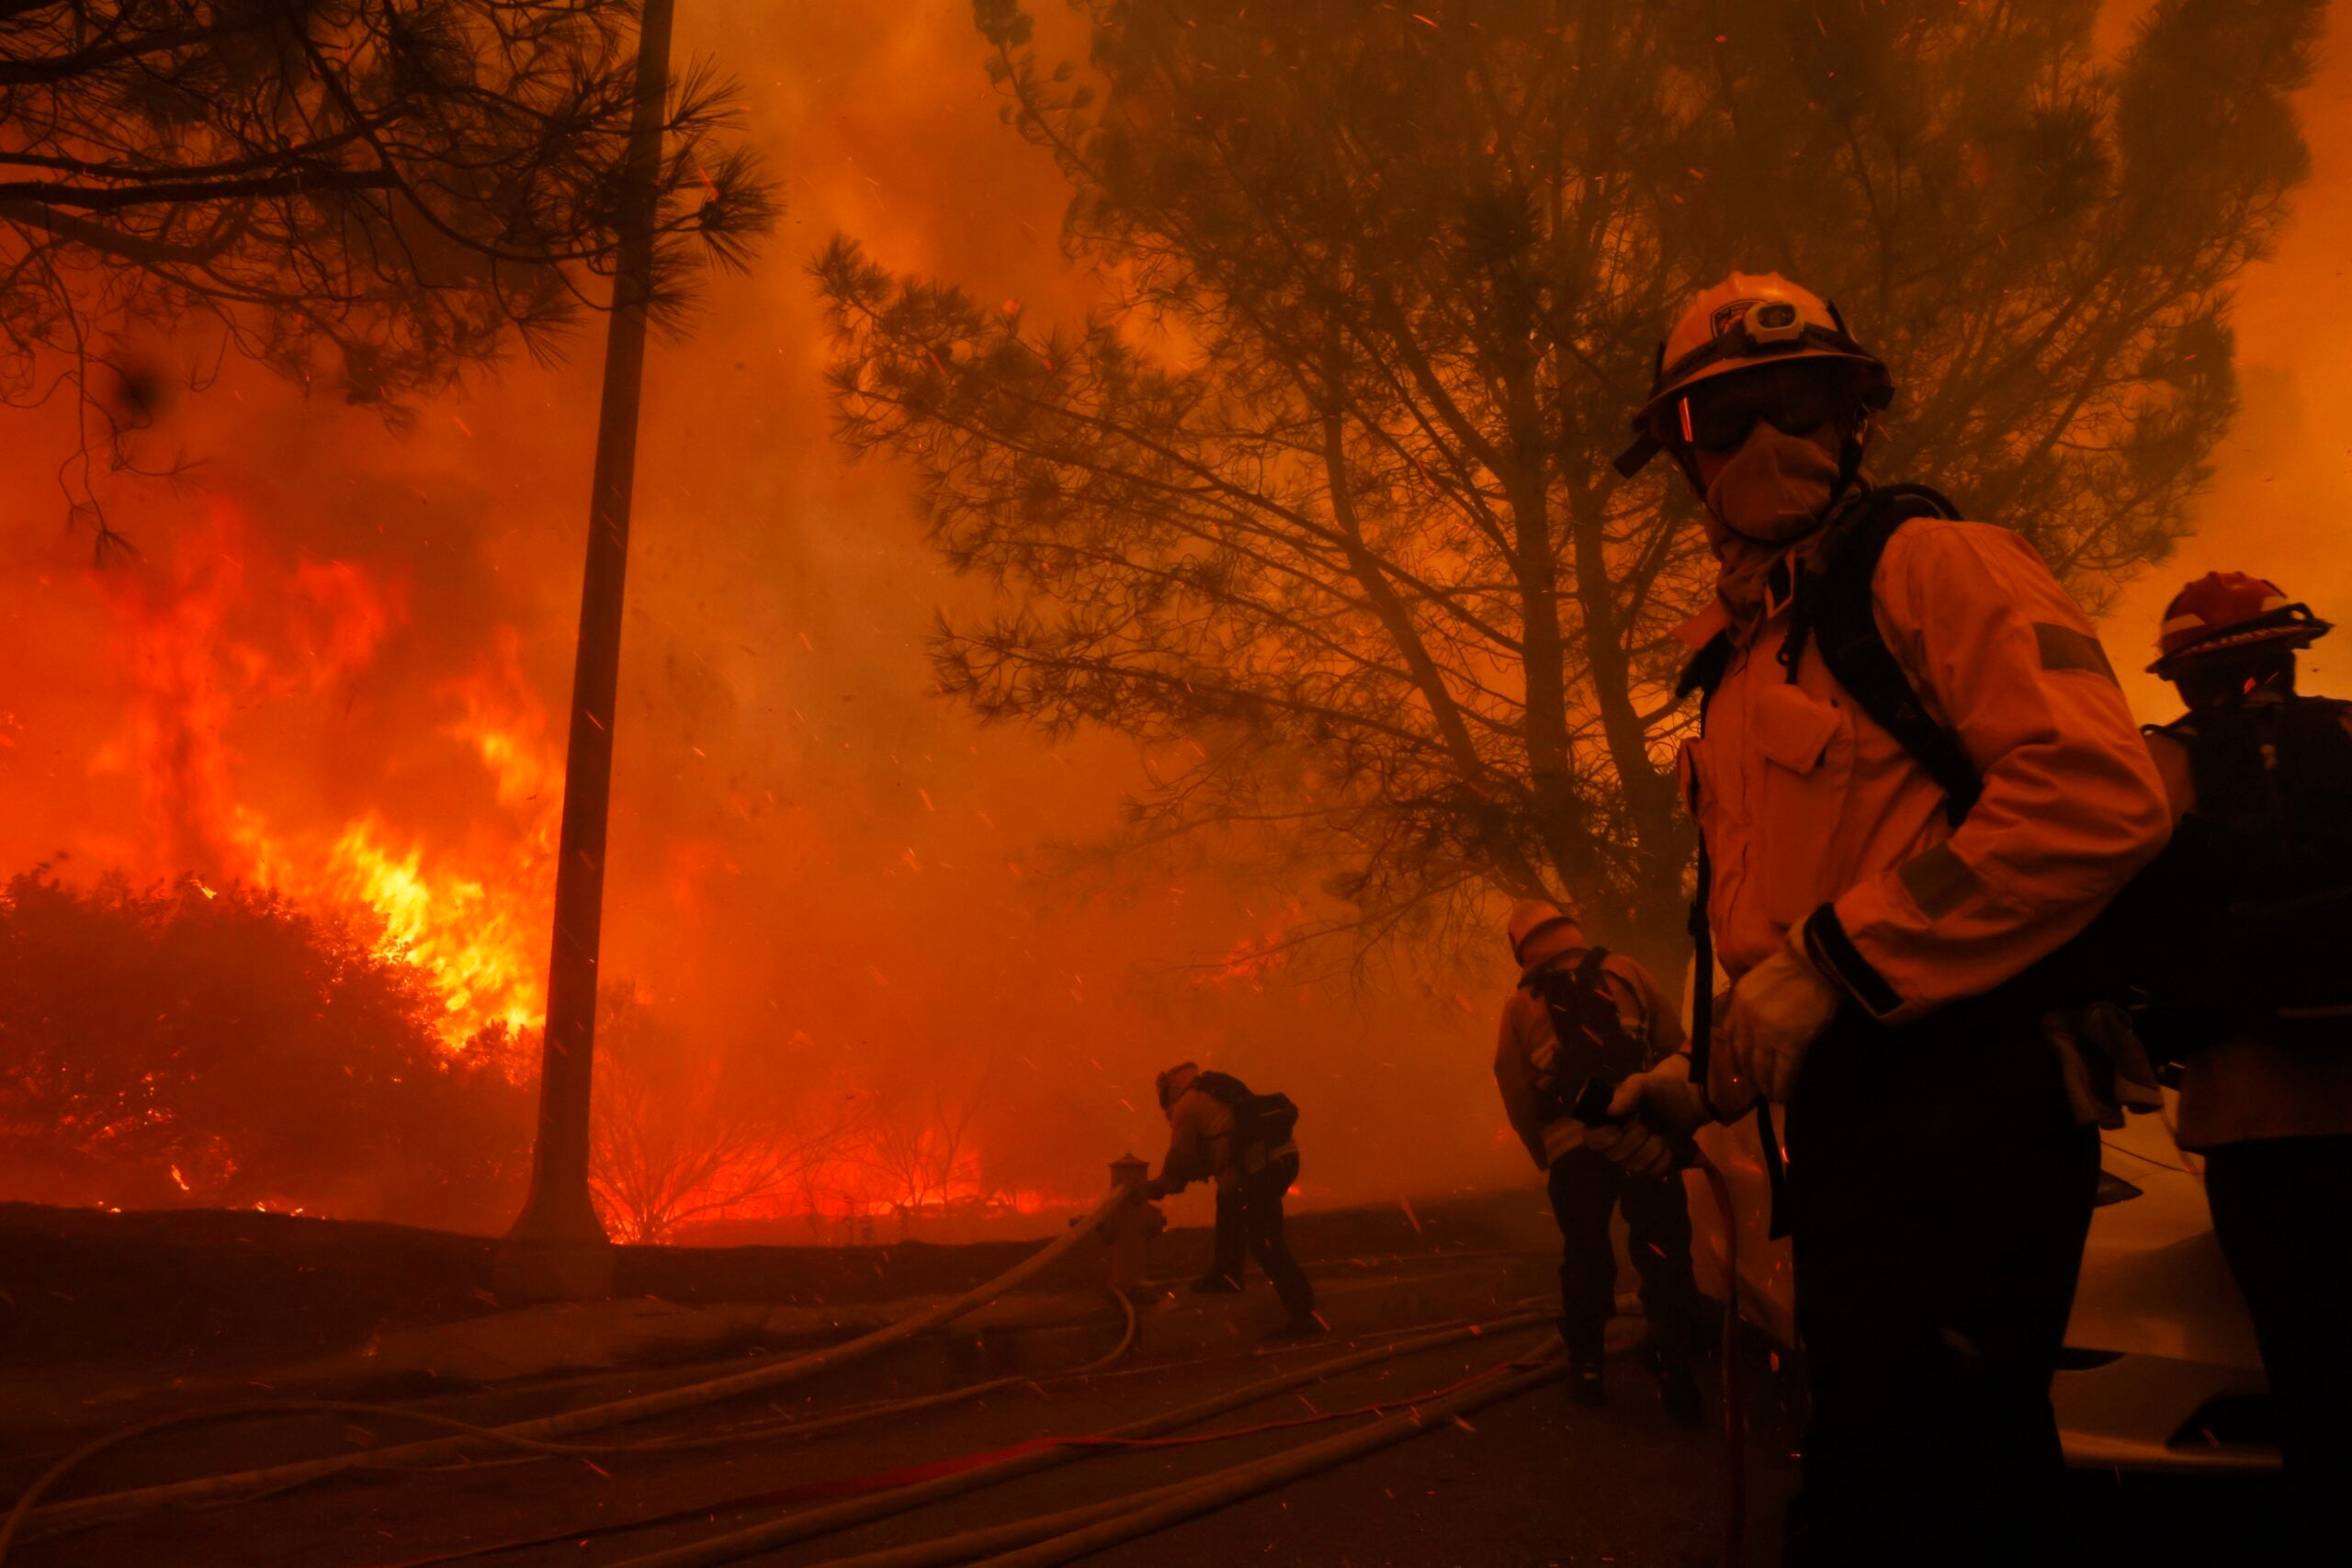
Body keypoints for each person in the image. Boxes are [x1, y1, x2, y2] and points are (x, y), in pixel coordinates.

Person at [1592, 273, 2172, 1565]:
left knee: (1915, 1491)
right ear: (1680, 456)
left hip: (1975, 1103)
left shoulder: (1935, 566)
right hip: (1857, 1120)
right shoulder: (1739, 662)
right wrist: (1704, 1080)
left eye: (1798, 402)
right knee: (1898, 1472)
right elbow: (1785, 927)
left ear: (1854, 417)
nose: (1766, 445)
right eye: (1721, 421)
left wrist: (1838, 962)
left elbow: (2095, 792)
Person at [2140, 571, 2352, 1530]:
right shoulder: (2348, 732)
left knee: (2307, 1369)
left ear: (2183, 677)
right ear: (2286, 651)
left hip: (2249, 1122)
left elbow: (2105, 914)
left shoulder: (2154, 768)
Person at [1494, 900, 1706, 1418]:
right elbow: (1673, 1044)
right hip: (1645, 1140)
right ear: (1570, 931)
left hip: (1574, 1150)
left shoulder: (1521, 1006)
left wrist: (1544, 1149)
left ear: (1521, 948)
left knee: (1586, 1256)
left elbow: (1516, 1087)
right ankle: (1677, 1368)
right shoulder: (1626, 971)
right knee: (1664, 1252)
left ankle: (1586, 1369)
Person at [1143, 1062, 1322, 1338]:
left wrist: (1159, 1186)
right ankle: (1226, 1275)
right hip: (1279, 1159)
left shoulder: (1187, 1106)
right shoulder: (1213, 1089)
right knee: (1228, 1201)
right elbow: (1219, 1146)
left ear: (1170, 1089)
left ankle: (1304, 1317)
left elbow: (1181, 1157)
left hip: (1262, 1166)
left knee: (1264, 1241)